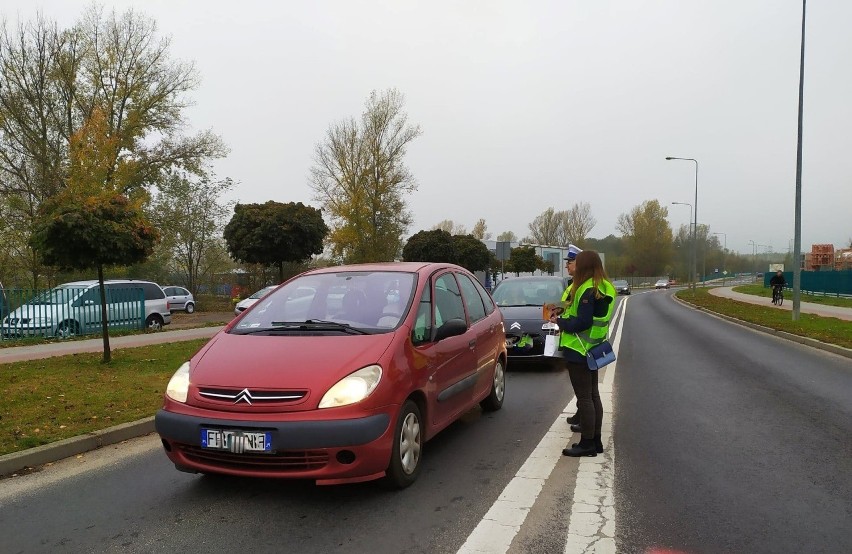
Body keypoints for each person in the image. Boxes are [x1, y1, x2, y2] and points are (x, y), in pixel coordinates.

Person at [551, 249, 616, 457]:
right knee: (593, 395)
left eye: (576, 262)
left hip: (579, 349)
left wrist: (559, 321)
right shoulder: (602, 286)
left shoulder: (585, 290)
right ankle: (595, 441)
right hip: (594, 348)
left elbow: (582, 322)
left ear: (584, 265)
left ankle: (587, 443)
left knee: (585, 398)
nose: (573, 265)